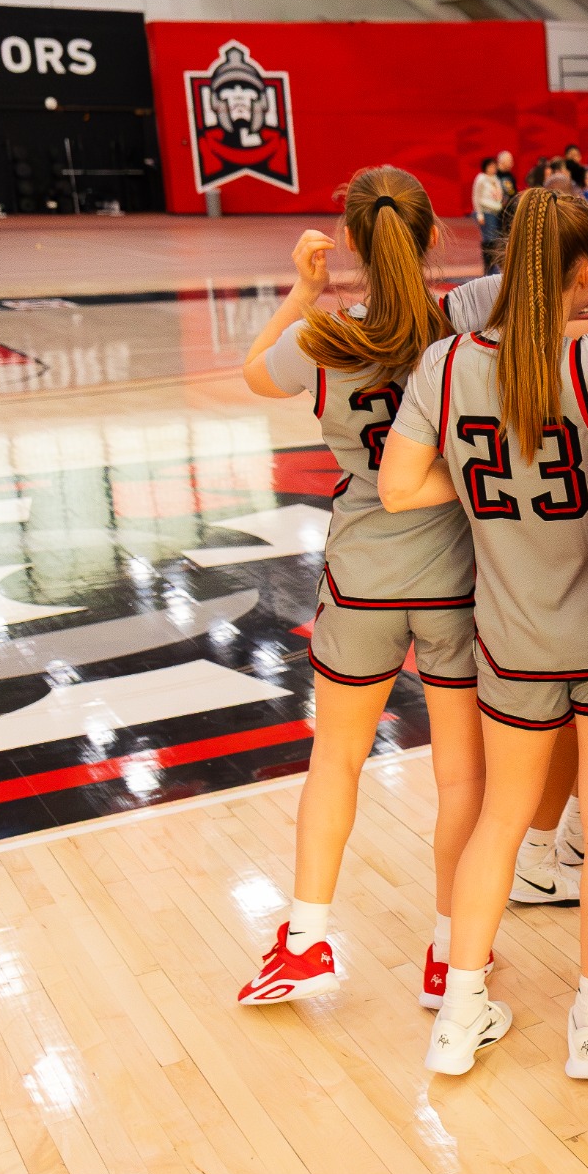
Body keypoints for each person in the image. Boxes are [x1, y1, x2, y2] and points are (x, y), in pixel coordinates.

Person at [380, 111, 588, 1084]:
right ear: (582, 274)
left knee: (500, 821)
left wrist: (473, 476)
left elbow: (403, 487)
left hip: (510, 640)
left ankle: (460, 1011)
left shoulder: (443, 366)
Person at [234, 168, 484, 1011]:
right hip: (453, 574)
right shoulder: (461, 322)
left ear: (349, 240)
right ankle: (452, 953)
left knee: (335, 758)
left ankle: (304, 939)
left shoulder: (321, 340)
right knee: (461, 779)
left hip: (362, 576)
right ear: (430, 237)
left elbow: (252, 376)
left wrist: (303, 293)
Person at [472, 156, 505, 273]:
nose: (493, 168)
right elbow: (476, 197)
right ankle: (489, 268)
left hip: (496, 212)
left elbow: (499, 195)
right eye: (491, 166)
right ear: (486, 167)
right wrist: (479, 214)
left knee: (495, 240)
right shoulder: (481, 179)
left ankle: (493, 266)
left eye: (494, 166)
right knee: (489, 240)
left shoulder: (496, 179)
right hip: (487, 213)